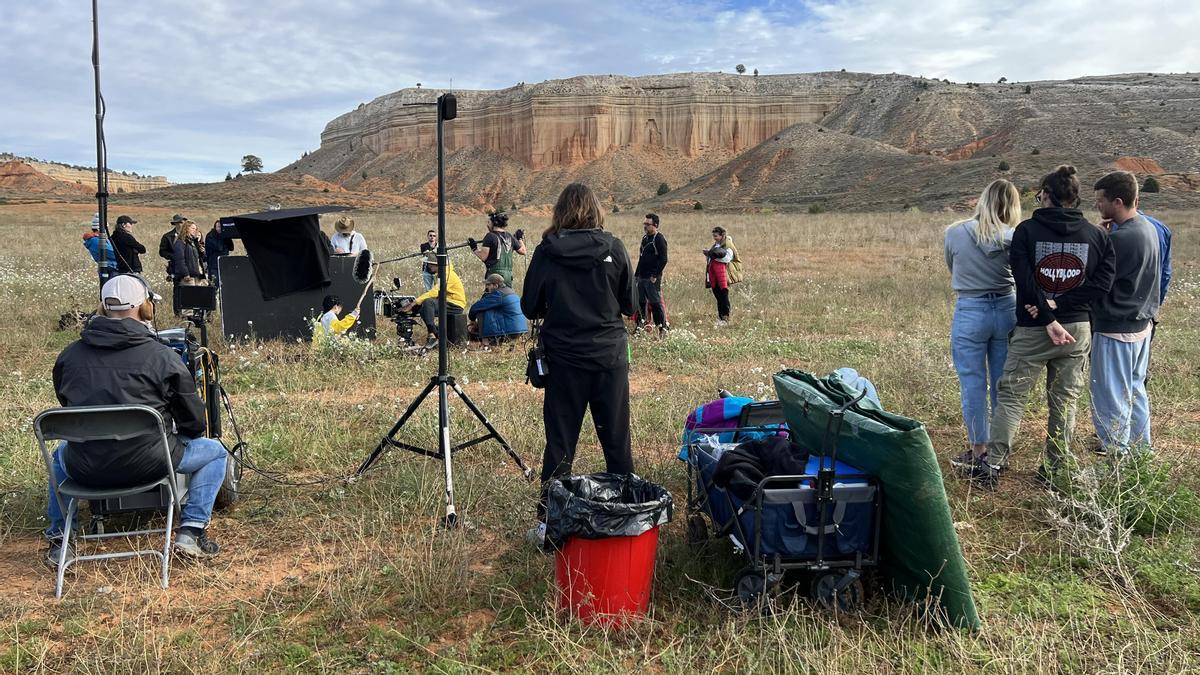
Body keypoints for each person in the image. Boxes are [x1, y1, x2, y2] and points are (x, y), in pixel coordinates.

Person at [45, 275, 227, 561]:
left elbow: (68, 406)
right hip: (152, 465)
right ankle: (191, 531)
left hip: (86, 467)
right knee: (215, 452)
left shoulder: (68, 357)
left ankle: (59, 540)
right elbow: (194, 422)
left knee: (58, 456)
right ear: (145, 309)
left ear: (103, 309)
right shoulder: (163, 357)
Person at [965, 165, 1115, 488]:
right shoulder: (1096, 236)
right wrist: (1061, 310)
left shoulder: (1027, 231)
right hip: (1075, 331)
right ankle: (1055, 469)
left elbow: (1024, 281)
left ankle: (993, 465)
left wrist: (1048, 311)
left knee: (1012, 397)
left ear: (1046, 196)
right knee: (1065, 400)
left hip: (1032, 329)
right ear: (1074, 198)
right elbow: (1102, 285)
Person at [521, 183, 636, 546]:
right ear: (597, 211)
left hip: (564, 360)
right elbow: (630, 303)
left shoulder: (546, 251)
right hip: (609, 358)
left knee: (559, 445)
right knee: (616, 441)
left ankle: (549, 528)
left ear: (560, 212)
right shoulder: (614, 248)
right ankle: (629, 522)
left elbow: (529, 306)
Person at [944, 180, 1022, 469]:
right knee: (1003, 382)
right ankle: (1000, 450)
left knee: (972, 381)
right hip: (1006, 307)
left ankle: (979, 449)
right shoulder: (1014, 236)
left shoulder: (955, 232)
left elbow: (953, 267)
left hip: (971, 308)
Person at [1089, 171, 1161, 456]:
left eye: (1100, 201)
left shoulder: (1120, 240)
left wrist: (1100, 239)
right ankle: (1140, 453)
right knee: (1134, 391)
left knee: (1109, 397)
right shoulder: (1147, 228)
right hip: (1140, 325)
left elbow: (1094, 278)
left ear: (1117, 201)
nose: (1097, 206)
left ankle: (1115, 458)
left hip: (1115, 328)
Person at [403, 260, 466, 348]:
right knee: (423, 306)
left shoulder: (448, 275)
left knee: (428, 302)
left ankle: (433, 334)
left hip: (455, 304)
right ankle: (436, 333)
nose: (429, 267)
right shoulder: (441, 274)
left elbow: (435, 292)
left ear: (438, 265)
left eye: (431, 265)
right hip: (446, 302)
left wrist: (414, 302)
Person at [634, 213, 670, 335]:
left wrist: (655, 275)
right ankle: (639, 327)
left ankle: (662, 328)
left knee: (655, 303)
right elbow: (641, 258)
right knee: (640, 303)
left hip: (652, 278)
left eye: (648, 224)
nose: (645, 226)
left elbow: (664, 259)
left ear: (655, 225)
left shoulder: (659, 239)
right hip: (642, 277)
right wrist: (636, 275)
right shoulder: (645, 238)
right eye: (644, 224)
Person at [468, 274, 528, 343]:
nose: (487, 287)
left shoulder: (498, 294)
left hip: (510, 332)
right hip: (520, 330)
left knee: (482, 311)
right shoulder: (511, 291)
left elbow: (475, 307)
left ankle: (485, 344)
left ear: (496, 285)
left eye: (488, 284)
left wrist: (472, 319)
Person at [471, 211, 526, 287]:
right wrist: (520, 238)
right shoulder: (510, 237)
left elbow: (483, 257)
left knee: (491, 297)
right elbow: (523, 251)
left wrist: (474, 248)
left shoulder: (490, 236)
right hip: (508, 277)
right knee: (506, 296)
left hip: (494, 277)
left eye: (489, 222)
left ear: (495, 223)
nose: (487, 225)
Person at [704, 226, 742, 325]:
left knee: (723, 296)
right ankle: (721, 318)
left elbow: (727, 259)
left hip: (723, 275)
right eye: (713, 236)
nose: (714, 238)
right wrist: (709, 254)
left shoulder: (728, 245)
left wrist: (712, 255)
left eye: (716, 236)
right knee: (718, 297)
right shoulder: (717, 245)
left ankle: (726, 318)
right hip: (714, 274)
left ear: (722, 235)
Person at [82, 214, 118, 280]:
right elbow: (111, 252)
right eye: (105, 227)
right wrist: (124, 255)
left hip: (112, 268)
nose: (106, 230)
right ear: (99, 228)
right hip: (109, 269)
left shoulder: (100, 239)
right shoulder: (95, 241)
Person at [171, 220, 206, 286]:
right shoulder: (180, 242)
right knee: (190, 295)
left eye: (195, 229)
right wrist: (185, 274)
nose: (195, 230)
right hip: (188, 277)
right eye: (192, 228)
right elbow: (180, 260)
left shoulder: (194, 242)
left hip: (197, 275)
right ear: (186, 228)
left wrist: (202, 252)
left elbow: (200, 259)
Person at [204, 220, 235, 288]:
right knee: (214, 285)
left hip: (223, 264)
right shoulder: (211, 236)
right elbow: (219, 247)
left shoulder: (224, 236)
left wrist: (228, 236)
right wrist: (222, 236)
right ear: (215, 227)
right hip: (213, 266)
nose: (220, 228)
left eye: (221, 227)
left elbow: (231, 248)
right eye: (218, 227)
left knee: (224, 286)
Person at [159, 214, 185, 282]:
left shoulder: (190, 236)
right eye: (180, 222)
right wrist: (173, 256)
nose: (181, 224)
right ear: (175, 224)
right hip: (175, 267)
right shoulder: (167, 236)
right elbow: (162, 252)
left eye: (182, 222)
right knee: (178, 288)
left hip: (189, 267)